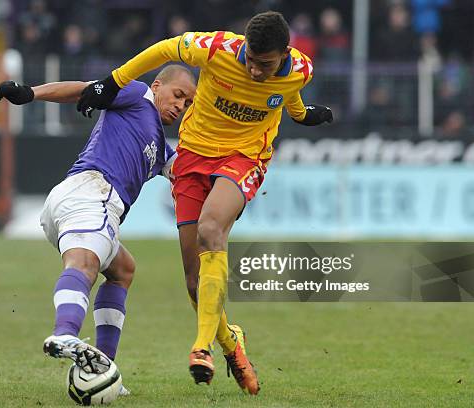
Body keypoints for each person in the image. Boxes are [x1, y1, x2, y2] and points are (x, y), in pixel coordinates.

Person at [76, 11, 333, 394]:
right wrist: (113, 82)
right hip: (193, 155)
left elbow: (287, 92)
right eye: (250, 60)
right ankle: (232, 344)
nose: (255, 71)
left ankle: (201, 347)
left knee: (212, 229)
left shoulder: (301, 68)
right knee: (195, 281)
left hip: (244, 156)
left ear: (283, 55)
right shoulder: (216, 49)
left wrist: (301, 114)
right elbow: (164, 49)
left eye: (264, 65)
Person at [0, 65, 196, 391]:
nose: (181, 106)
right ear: (158, 85)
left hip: (81, 203)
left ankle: (101, 366)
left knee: (123, 269)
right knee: (84, 265)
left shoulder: (161, 148)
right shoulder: (138, 93)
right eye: (178, 95)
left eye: (188, 103)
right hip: (93, 194)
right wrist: (31, 93)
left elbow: (188, 175)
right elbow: (84, 89)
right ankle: (64, 333)